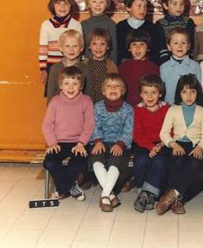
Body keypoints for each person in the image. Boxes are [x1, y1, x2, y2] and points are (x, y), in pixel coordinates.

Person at [156, 74, 203, 215]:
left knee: (193, 165)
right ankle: (177, 201)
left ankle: (171, 197)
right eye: (184, 92)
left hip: (195, 146)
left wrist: (200, 147)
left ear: (198, 92)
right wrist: (173, 144)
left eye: (192, 91)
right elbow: (164, 133)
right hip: (178, 144)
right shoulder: (173, 110)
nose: (189, 96)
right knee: (177, 163)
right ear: (179, 93)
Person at [42, 66, 94, 201]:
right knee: (50, 162)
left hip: (78, 143)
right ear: (60, 85)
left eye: (75, 84)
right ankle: (70, 186)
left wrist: (81, 143)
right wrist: (52, 143)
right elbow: (47, 125)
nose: (70, 87)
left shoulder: (86, 101)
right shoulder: (55, 102)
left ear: (81, 86)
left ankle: (62, 188)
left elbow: (89, 125)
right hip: (58, 142)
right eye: (66, 84)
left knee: (79, 163)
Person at [88, 73, 133, 211]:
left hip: (119, 143)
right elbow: (94, 126)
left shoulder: (128, 109)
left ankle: (105, 195)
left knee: (116, 161)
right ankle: (110, 195)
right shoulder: (97, 107)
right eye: (109, 86)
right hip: (100, 141)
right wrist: (97, 141)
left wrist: (120, 144)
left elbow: (128, 130)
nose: (113, 88)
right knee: (96, 160)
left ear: (123, 91)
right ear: (103, 91)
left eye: (117, 86)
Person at [132, 75, 171, 213]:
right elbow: (137, 134)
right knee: (141, 160)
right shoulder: (137, 110)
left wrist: (161, 144)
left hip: (163, 144)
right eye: (145, 92)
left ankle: (146, 195)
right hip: (144, 144)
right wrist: (150, 147)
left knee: (160, 162)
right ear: (140, 94)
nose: (149, 96)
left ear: (160, 93)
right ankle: (146, 194)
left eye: (153, 92)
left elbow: (172, 130)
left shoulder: (167, 109)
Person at [39, 0, 82, 96]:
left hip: (72, 66)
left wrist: (79, 64)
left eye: (66, 3)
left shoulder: (76, 25)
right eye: (58, 3)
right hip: (52, 67)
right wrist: (43, 68)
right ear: (52, 6)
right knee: (53, 94)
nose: (62, 7)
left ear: (71, 5)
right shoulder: (46, 25)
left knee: (73, 93)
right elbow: (43, 48)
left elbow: (81, 46)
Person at [46, 29, 93, 103]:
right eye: (67, 46)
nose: (71, 49)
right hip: (60, 110)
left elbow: (89, 96)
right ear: (61, 48)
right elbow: (50, 95)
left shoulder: (85, 70)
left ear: (81, 48)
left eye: (75, 46)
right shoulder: (55, 69)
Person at [118, 29, 159, 106]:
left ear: (148, 48)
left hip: (147, 107)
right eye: (134, 44)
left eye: (142, 44)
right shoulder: (123, 67)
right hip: (127, 107)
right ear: (129, 48)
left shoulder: (154, 68)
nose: (138, 48)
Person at [116, 0, 158, 64]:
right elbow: (119, 51)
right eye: (139, 6)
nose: (143, 9)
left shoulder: (151, 27)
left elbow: (155, 51)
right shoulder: (120, 27)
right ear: (128, 7)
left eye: (145, 6)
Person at [160, 27, 201, 104]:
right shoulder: (163, 67)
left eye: (183, 43)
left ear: (188, 46)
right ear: (169, 46)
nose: (180, 46)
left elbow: (199, 89)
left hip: (191, 106)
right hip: (170, 107)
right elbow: (160, 91)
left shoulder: (195, 66)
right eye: (175, 43)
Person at [155, 0, 195, 64]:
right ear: (165, 6)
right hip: (167, 61)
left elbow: (190, 43)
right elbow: (161, 46)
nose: (179, 7)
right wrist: (166, 63)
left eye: (182, 4)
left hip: (186, 60)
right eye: (174, 4)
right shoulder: (160, 23)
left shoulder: (188, 22)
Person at [81, 0, 118, 64]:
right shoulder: (83, 25)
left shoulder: (111, 24)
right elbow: (81, 48)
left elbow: (114, 48)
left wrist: (113, 65)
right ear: (88, 5)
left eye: (101, 2)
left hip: (106, 64)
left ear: (107, 4)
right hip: (87, 64)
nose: (98, 5)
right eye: (94, 1)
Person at [84, 28, 118, 103]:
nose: (98, 47)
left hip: (105, 104)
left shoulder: (111, 66)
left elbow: (116, 87)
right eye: (94, 43)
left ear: (108, 46)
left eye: (102, 44)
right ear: (89, 46)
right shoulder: (84, 65)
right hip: (87, 103)